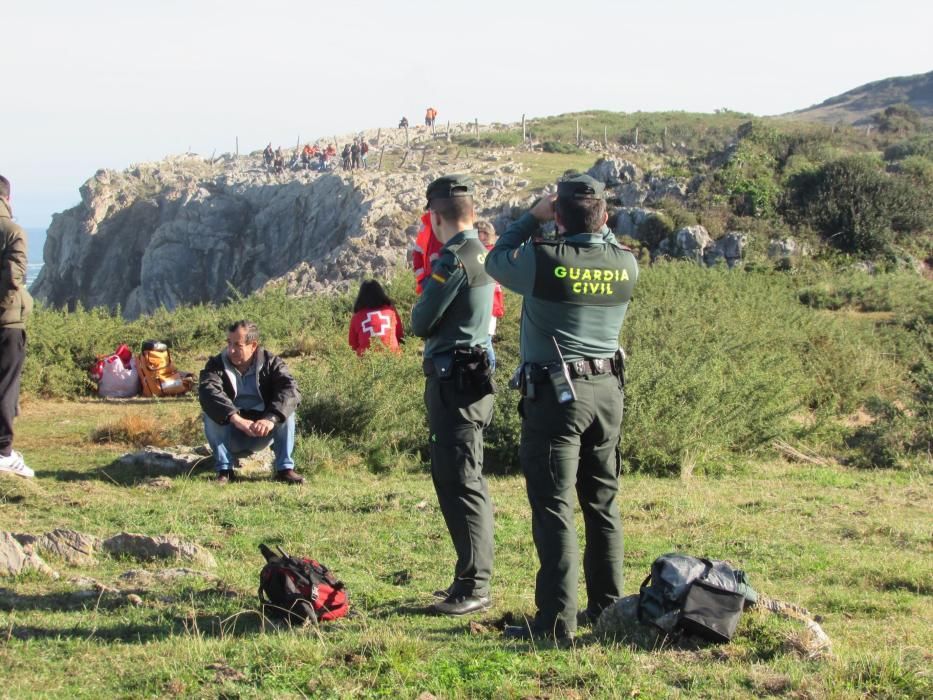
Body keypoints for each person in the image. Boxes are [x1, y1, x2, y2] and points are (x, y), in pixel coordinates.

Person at [485, 174, 639, 642]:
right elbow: (602, 236)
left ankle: (555, 624)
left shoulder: (543, 257)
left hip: (557, 395)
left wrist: (533, 216)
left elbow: (495, 259)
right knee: (602, 503)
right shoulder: (626, 264)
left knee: (554, 506)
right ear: (606, 218)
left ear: (559, 217)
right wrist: (583, 218)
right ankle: (608, 611)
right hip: (608, 390)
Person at [411, 175, 496, 616]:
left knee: (462, 481)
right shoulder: (480, 251)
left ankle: (475, 585)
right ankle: (466, 577)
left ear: (436, 217)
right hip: (467, 378)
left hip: (455, 383)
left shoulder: (455, 258)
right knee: (457, 479)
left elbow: (422, 320)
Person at [199, 320, 304, 484]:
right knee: (211, 412)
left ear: (253, 345)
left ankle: (285, 469)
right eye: (229, 343)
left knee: (286, 413)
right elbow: (208, 392)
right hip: (232, 430)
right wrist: (236, 419)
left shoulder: (271, 363)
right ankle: (224, 470)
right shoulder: (216, 364)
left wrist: (270, 419)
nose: (231, 350)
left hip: (262, 430)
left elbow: (290, 391)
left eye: (237, 345)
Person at [0, 175, 34, 479]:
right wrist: (25, 299)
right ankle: (3, 452)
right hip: (6, 320)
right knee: (6, 386)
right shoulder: (12, 231)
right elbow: (14, 276)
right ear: (8, 199)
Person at [475, 220, 505, 370]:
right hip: (490, 303)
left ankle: (490, 372)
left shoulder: (485, 254)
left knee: (485, 342)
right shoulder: (493, 253)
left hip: (488, 304)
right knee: (485, 341)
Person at [348, 280, 404, 356]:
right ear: (380, 294)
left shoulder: (356, 317)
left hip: (367, 360)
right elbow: (400, 336)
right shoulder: (390, 311)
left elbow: (352, 345)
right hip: (393, 358)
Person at [411, 211, 442, 295]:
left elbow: (417, 254)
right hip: (432, 282)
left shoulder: (426, 224)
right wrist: (422, 280)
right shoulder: (426, 225)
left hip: (439, 280)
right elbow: (417, 254)